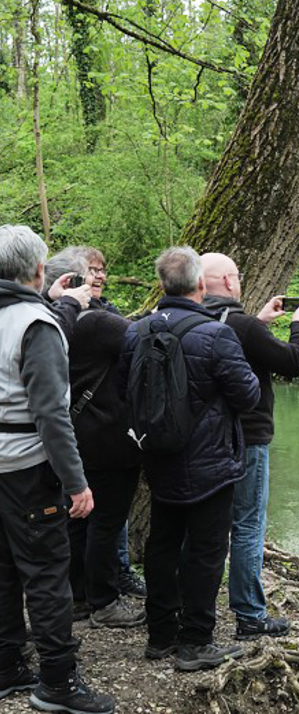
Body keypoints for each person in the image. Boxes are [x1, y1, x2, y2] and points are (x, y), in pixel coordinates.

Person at [120, 247, 260, 672]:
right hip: (210, 463)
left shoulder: (136, 331)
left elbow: (127, 390)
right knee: (205, 551)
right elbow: (248, 395)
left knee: (162, 544)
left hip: (158, 455)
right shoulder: (217, 335)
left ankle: (160, 636)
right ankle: (196, 642)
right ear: (200, 284)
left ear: (162, 284)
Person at [0, 224, 114, 714]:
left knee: (3, 570)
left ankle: (6, 666)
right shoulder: (36, 324)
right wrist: (76, 482)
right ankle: (58, 682)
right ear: (38, 269)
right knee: (47, 574)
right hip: (29, 467)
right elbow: (51, 414)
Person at [200, 253, 299, 640]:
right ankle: (249, 615)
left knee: (204, 525)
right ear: (229, 282)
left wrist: (260, 323)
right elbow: (294, 362)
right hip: (248, 437)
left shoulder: (197, 320)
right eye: (238, 275)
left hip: (203, 440)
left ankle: (191, 610)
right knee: (247, 524)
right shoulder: (243, 326)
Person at [41, 258, 145, 630]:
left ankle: (79, 596)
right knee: (106, 521)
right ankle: (104, 602)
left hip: (72, 435)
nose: (99, 276)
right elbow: (148, 338)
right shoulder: (98, 322)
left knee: (78, 519)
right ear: (71, 281)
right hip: (108, 438)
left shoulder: (49, 321)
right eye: (92, 272)